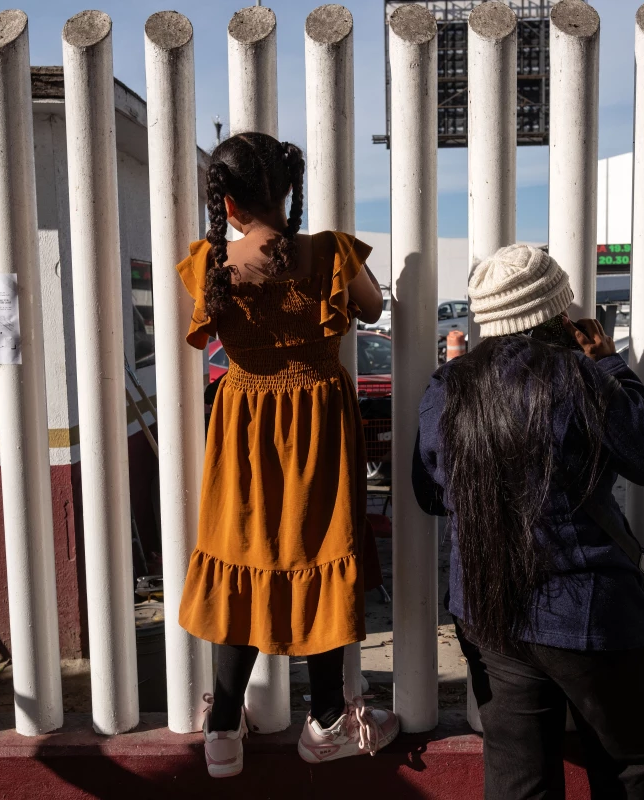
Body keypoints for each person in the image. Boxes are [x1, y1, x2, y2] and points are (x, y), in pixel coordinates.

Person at [412, 244, 644, 799]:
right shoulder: (582, 379)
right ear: (560, 313)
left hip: (491, 616)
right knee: (631, 769)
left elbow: (431, 496)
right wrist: (610, 362)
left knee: (518, 780)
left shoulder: (448, 388)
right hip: (590, 617)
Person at [175, 132, 398, 778]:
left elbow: (201, 330)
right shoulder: (328, 254)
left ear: (229, 202)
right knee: (320, 549)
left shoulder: (209, 265)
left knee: (244, 557)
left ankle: (222, 731)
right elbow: (374, 304)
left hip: (243, 432)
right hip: (320, 430)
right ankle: (326, 719)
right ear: (287, 189)